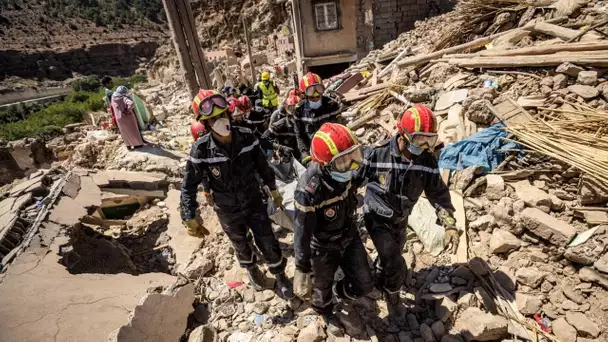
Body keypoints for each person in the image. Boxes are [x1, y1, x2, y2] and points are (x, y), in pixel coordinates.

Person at [180, 89, 293, 298]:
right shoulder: (201, 150)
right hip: (226, 207)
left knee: (267, 239)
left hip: (252, 199)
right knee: (240, 242)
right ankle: (252, 271)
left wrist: (274, 189)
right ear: (205, 123)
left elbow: (263, 166)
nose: (219, 120)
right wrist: (189, 215)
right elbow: (188, 185)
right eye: (213, 118)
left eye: (222, 115)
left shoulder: (247, 137)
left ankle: (279, 275)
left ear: (228, 114)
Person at [352, 104, 459, 320]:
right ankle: (392, 294)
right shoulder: (377, 154)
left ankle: (382, 276)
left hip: (401, 219)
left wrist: (449, 223)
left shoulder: (427, 161)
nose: (425, 145)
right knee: (395, 261)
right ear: (403, 134)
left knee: (390, 258)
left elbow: (438, 193)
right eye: (420, 139)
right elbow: (351, 182)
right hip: (377, 216)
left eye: (430, 139)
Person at [293, 122, 373, 335]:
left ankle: (340, 292)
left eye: (354, 156)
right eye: (343, 161)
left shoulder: (346, 172)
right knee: (320, 291)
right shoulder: (309, 190)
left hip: (349, 235)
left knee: (365, 284)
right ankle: (324, 310)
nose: (352, 165)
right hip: (323, 247)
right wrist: (302, 267)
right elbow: (302, 232)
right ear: (326, 164)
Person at [293, 72, 342, 165]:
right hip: (312, 152)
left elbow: (338, 130)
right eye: (311, 95)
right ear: (305, 94)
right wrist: (305, 154)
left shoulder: (332, 105)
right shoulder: (299, 110)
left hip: (332, 150)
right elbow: (299, 135)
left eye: (318, 93)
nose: (315, 98)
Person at [261, 94, 301, 161]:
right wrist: (281, 148)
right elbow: (263, 139)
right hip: (284, 160)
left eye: (298, 109)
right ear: (287, 109)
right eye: (291, 108)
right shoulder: (280, 125)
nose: (295, 112)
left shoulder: (306, 123)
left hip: (302, 158)